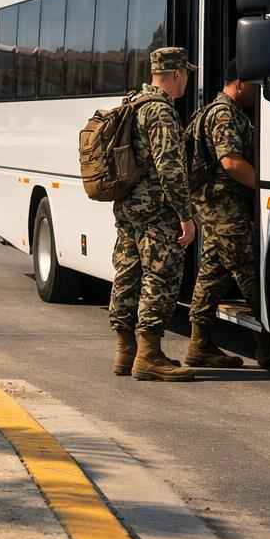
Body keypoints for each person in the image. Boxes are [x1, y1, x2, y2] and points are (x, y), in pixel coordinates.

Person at [109, 46, 197, 382]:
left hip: (129, 208)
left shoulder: (133, 103)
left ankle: (125, 351)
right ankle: (149, 356)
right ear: (176, 75)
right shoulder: (160, 111)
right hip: (155, 211)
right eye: (186, 74)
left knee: (127, 275)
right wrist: (185, 216)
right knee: (159, 278)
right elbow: (170, 168)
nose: (186, 81)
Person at [185, 60, 260, 368]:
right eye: (255, 86)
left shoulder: (217, 110)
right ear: (240, 83)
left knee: (212, 271)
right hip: (223, 205)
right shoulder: (224, 113)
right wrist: (265, 187)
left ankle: (199, 344)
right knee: (247, 270)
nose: (258, 93)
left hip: (214, 205)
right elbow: (229, 162)